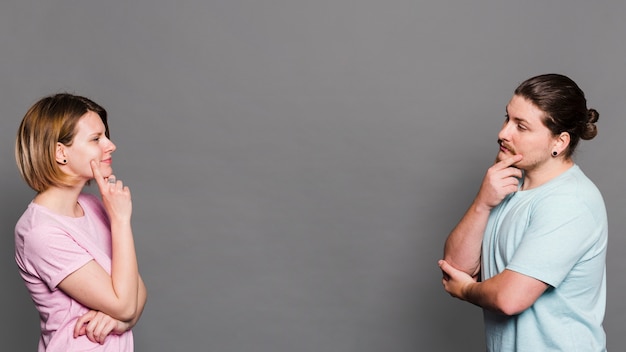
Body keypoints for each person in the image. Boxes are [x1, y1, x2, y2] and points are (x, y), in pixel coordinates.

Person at [439, 74, 607, 351]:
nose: (503, 133)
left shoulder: (570, 202)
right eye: (507, 118)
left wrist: (467, 290)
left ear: (559, 142)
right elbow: (456, 268)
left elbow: (509, 298)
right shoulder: (507, 182)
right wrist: (482, 202)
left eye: (522, 126)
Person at [14, 93, 147, 351]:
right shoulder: (40, 232)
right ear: (60, 153)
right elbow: (127, 304)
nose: (110, 145)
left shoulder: (93, 205)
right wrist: (120, 221)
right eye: (96, 139)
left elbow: (138, 291)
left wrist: (120, 322)